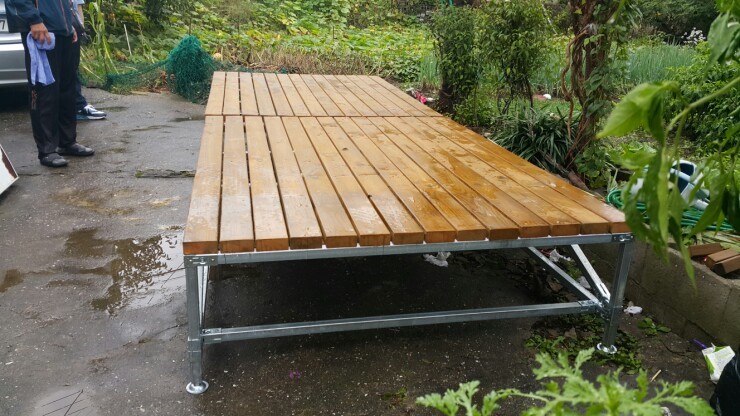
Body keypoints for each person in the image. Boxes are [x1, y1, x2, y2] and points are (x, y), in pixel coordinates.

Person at [4, 0, 94, 167]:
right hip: (41, 29)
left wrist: (68, 24)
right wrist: (34, 20)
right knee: (44, 91)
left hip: (62, 30)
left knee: (67, 89)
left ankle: (67, 142)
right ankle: (47, 150)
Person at [71, 0, 106, 121]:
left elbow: (78, 7)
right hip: (57, 29)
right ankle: (77, 106)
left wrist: (80, 30)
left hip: (73, 30)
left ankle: (78, 106)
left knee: (72, 69)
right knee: (66, 71)